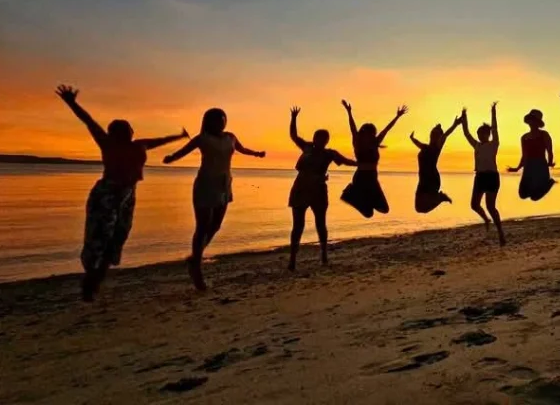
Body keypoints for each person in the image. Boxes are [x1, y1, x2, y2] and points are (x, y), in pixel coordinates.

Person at [55, 84, 188, 302]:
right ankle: (91, 280)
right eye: (119, 130)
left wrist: (179, 136)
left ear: (131, 132)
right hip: (107, 194)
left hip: (128, 195)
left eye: (127, 129)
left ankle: (97, 278)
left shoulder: (140, 145)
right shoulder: (107, 143)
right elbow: (88, 121)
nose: (125, 132)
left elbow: (160, 140)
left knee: (119, 236)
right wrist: (71, 103)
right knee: (99, 237)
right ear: (112, 133)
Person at [163, 108, 265, 290]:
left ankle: (195, 258)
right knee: (202, 227)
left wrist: (256, 153)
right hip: (205, 184)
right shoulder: (202, 138)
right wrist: (171, 158)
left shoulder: (230, 137)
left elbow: (241, 149)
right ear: (208, 122)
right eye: (217, 120)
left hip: (224, 185)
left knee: (216, 225)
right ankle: (197, 269)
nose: (221, 123)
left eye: (223, 120)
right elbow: (183, 151)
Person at [287, 106, 357, 271]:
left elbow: (346, 161)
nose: (320, 140)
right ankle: (292, 260)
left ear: (326, 141)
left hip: (318, 191)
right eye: (318, 137)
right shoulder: (307, 147)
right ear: (314, 138)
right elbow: (293, 136)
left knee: (320, 223)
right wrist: (294, 118)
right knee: (298, 226)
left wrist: (362, 164)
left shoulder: (329, 153)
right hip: (300, 189)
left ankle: (324, 255)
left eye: (324, 138)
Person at [340, 100, 407, 218]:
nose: (371, 135)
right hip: (361, 177)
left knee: (384, 209)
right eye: (369, 133)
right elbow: (352, 128)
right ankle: (349, 196)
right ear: (363, 133)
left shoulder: (375, 142)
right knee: (368, 214)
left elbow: (386, 129)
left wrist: (397, 116)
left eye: (372, 133)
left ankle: (352, 194)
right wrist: (349, 112)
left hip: (373, 178)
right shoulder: (358, 143)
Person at [460, 103, 505, 245]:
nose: (480, 135)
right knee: (474, 205)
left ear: (488, 134)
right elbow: (466, 133)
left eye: (482, 133)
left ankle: (500, 233)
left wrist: (493, 112)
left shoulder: (494, 144)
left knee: (491, 206)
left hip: (491, 176)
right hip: (479, 177)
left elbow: (495, 128)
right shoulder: (477, 145)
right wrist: (464, 117)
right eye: (479, 134)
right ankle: (486, 219)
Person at [410, 115, 462, 213]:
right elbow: (417, 142)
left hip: (431, 179)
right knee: (419, 207)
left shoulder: (436, 147)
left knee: (421, 208)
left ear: (439, 137)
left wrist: (455, 124)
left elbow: (446, 134)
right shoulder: (425, 147)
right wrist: (412, 138)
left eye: (437, 134)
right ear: (431, 134)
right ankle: (440, 198)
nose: (434, 134)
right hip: (423, 179)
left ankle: (440, 198)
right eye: (433, 132)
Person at [508, 108, 556, 201]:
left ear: (538, 122)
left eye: (534, 120)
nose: (532, 123)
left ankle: (549, 183)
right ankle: (543, 184)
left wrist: (550, 162)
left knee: (535, 197)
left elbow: (549, 150)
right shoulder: (524, 137)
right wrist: (517, 168)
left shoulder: (544, 134)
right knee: (523, 194)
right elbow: (524, 155)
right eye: (531, 120)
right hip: (528, 166)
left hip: (540, 164)